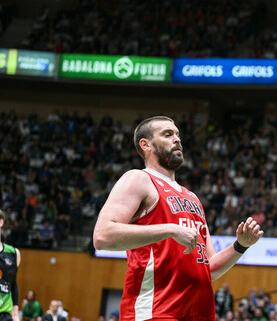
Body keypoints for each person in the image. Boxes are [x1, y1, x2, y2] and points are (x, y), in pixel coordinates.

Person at [93, 116, 263, 320]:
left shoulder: (192, 197)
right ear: (145, 144)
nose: (177, 139)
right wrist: (170, 229)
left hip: (197, 314)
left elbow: (208, 269)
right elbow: (102, 236)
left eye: (177, 134)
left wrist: (240, 246)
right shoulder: (139, 178)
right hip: (155, 311)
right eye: (167, 134)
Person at [0, 211, 20, 321]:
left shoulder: (13, 253)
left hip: (4, 316)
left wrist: (15, 313)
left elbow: (13, 284)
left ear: (1, 222)